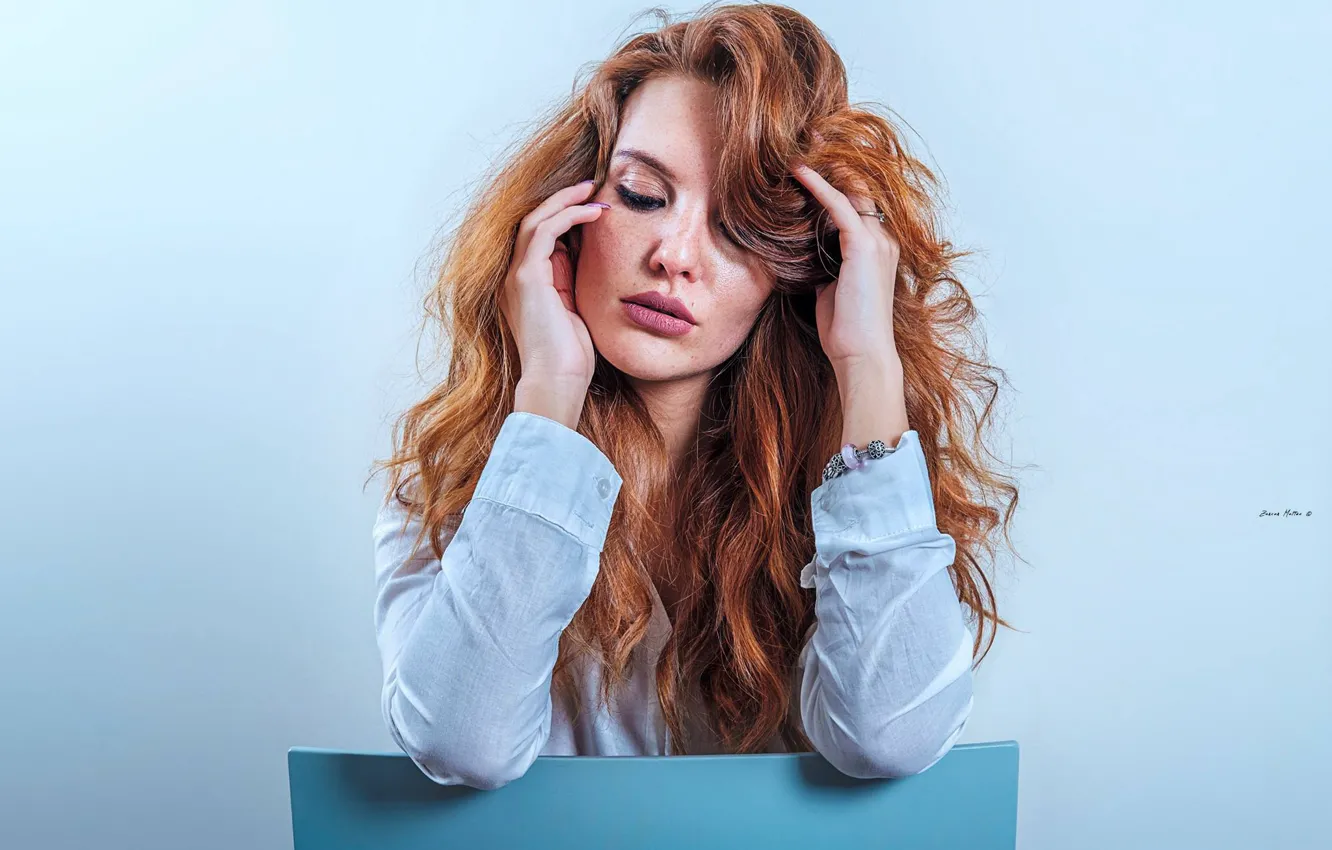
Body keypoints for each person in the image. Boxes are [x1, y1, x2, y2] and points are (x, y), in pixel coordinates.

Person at [366, 1, 1021, 791]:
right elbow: (462, 744)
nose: (675, 256)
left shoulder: (831, 488)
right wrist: (548, 393)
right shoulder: (452, 489)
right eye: (643, 195)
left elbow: (889, 737)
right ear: (568, 211)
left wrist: (869, 363)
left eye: (741, 226)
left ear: (802, 263)